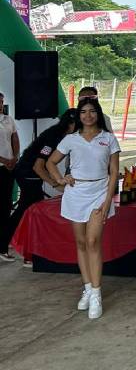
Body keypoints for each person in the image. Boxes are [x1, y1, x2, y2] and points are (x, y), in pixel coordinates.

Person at [47, 98, 120, 319]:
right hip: (76, 193)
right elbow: (50, 162)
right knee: (80, 242)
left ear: (98, 114)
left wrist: (108, 202)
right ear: (79, 116)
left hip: (99, 193)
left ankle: (96, 294)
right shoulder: (70, 139)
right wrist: (60, 179)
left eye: (92, 111)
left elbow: (114, 172)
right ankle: (87, 288)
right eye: (83, 112)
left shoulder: (108, 139)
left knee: (93, 242)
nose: (88, 116)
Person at [9, 109, 78, 266]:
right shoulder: (53, 137)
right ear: (71, 124)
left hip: (32, 173)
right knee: (31, 211)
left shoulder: (61, 134)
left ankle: (14, 244)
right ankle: (25, 251)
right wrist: (56, 184)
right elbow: (38, 166)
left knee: (27, 211)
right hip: (27, 173)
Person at [0, 92, 20, 262]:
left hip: (8, 168)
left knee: (5, 206)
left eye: (1, 102)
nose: (0, 104)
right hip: (1, 165)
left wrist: (15, 157)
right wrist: (4, 160)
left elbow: (15, 138)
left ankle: (3, 247)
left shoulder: (8, 119)